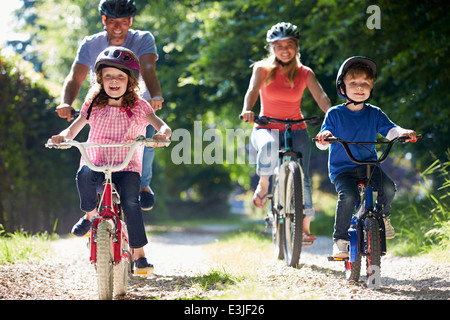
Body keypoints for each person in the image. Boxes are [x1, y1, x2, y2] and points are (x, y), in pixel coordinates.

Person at [49, 47, 172, 273]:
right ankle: (89, 215)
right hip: (96, 162)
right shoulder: (94, 103)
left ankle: (140, 255)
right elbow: (74, 128)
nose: (113, 81)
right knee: (83, 175)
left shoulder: (138, 105)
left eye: (120, 76)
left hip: (127, 167)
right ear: (100, 79)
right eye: (108, 76)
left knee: (131, 203)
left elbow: (162, 125)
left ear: (131, 81)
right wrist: (63, 137)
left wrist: (162, 135)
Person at [56, 0, 162, 211]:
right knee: (93, 143)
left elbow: (148, 68)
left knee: (146, 140)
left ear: (130, 21)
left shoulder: (143, 39)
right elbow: (75, 78)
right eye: (112, 21)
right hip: (103, 105)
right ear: (104, 20)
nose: (118, 27)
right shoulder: (90, 43)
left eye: (123, 22)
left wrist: (156, 95)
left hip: (135, 104)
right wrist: (66, 102)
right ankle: (91, 212)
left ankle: (143, 186)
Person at [314, 56, 417, 258]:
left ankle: (383, 217)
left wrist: (404, 132)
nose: (359, 88)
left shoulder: (374, 113)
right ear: (342, 87)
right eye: (353, 83)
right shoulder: (334, 114)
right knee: (349, 196)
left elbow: (391, 130)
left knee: (388, 187)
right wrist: (324, 139)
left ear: (371, 88)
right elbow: (320, 142)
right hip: (343, 169)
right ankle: (340, 240)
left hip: (369, 166)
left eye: (365, 83)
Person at [240, 22, 331, 243]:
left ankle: (304, 230)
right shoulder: (262, 69)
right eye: (279, 45)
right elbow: (252, 91)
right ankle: (264, 183)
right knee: (269, 146)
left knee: (303, 177)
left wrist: (331, 114)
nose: (284, 49)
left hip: (296, 127)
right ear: (272, 47)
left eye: (289, 44)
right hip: (265, 126)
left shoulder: (304, 72)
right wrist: (247, 110)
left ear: (296, 47)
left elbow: (321, 96)